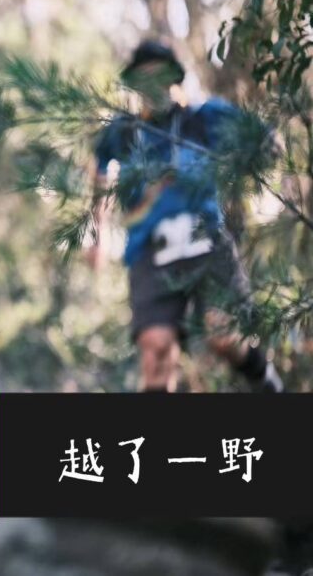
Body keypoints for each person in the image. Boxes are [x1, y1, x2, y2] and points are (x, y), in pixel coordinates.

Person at [89, 40, 283, 393]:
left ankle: (270, 385)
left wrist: (266, 145)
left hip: (205, 238)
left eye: (159, 74)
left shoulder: (202, 118)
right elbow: (99, 169)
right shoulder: (123, 132)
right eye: (142, 76)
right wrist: (95, 233)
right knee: (156, 350)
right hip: (150, 250)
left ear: (173, 77)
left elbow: (260, 136)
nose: (151, 83)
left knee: (223, 335)